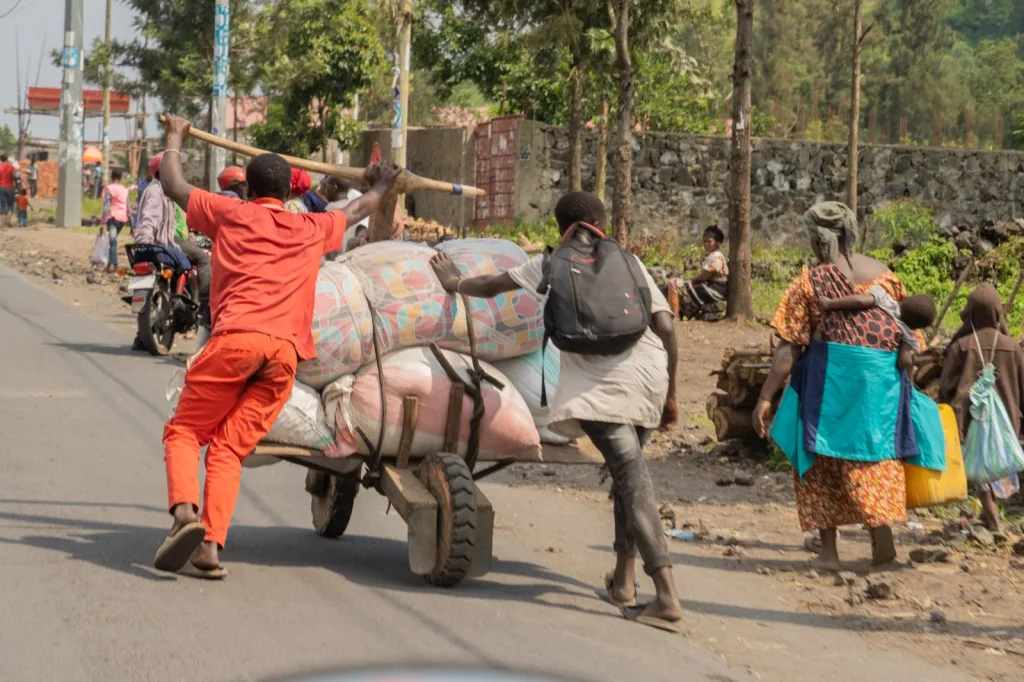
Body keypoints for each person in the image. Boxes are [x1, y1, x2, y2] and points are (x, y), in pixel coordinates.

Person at [151, 114, 400, 578]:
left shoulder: (230, 213)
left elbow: (172, 184)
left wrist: (175, 136)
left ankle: (185, 515)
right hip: (283, 357)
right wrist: (381, 186)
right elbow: (359, 210)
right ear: (289, 194)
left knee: (184, 432)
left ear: (246, 190)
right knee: (227, 448)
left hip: (235, 343)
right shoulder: (309, 227)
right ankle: (208, 548)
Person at [429, 191, 683, 631]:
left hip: (599, 389)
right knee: (630, 473)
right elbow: (666, 327)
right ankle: (624, 582)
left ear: (560, 226)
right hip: (648, 377)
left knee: (631, 475)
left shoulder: (550, 263)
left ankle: (666, 593)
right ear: (603, 223)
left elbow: (490, 287)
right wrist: (672, 394)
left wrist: (454, 283)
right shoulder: (629, 262)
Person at [755, 202, 944, 571]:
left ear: (820, 239)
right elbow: (912, 335)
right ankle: (882, 541)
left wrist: (765, 397)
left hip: (829, 386)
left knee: (820, 460)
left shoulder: (810, 282)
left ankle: (829, 553)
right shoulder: (887, 276)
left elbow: (789, 346)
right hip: (880, 390)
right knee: (877, 458)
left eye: (811, 239)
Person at [939, 284, 1024, 533]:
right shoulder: (1013, 347)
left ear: (971, 311)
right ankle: (991, 516)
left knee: (978, 466)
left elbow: (945, 386)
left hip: (967, 417)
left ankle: (994, 520)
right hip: (1008, 419)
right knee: (994, 463)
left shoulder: (962, 346)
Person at [818, 291, 936, 371]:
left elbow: (859, 301)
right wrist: (913, 360)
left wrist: (829, 303)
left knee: (820, 328)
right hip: (865, 367)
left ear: (905, 299)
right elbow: (903, 362)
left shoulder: (885, 300)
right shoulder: (907, 334)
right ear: (916, 328)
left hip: (840, 346)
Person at [673, 226, 729, 317]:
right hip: (715, 288)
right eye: (704, 241)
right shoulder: (713, 255)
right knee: (684, 285)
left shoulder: (717, 256)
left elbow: (704, 276)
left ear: (717, 243)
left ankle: (675, 315)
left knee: (674, 284)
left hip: (716, 290)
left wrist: (690, 279)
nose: (706, 244)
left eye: (709, 241)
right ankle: (687, 310)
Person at [101, 169, 133, 273]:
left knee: (113, 241)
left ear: (111, 176)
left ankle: (114, 264)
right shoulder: (125, 189)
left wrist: (103, 222)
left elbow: (106, 206)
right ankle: (110, 264)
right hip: (123, 219)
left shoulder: (109, 188)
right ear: (120, 178)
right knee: (112, 241)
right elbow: (128, 207)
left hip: (113, 218)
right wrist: (133, 225)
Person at [0, 154, 15, 226]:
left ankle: (3, 223)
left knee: (2, 205)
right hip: (10, 187)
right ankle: (8, 221)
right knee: (10, 205)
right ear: (7, 158)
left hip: (1, 187)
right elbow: (15, 175)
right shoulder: (11, 166)